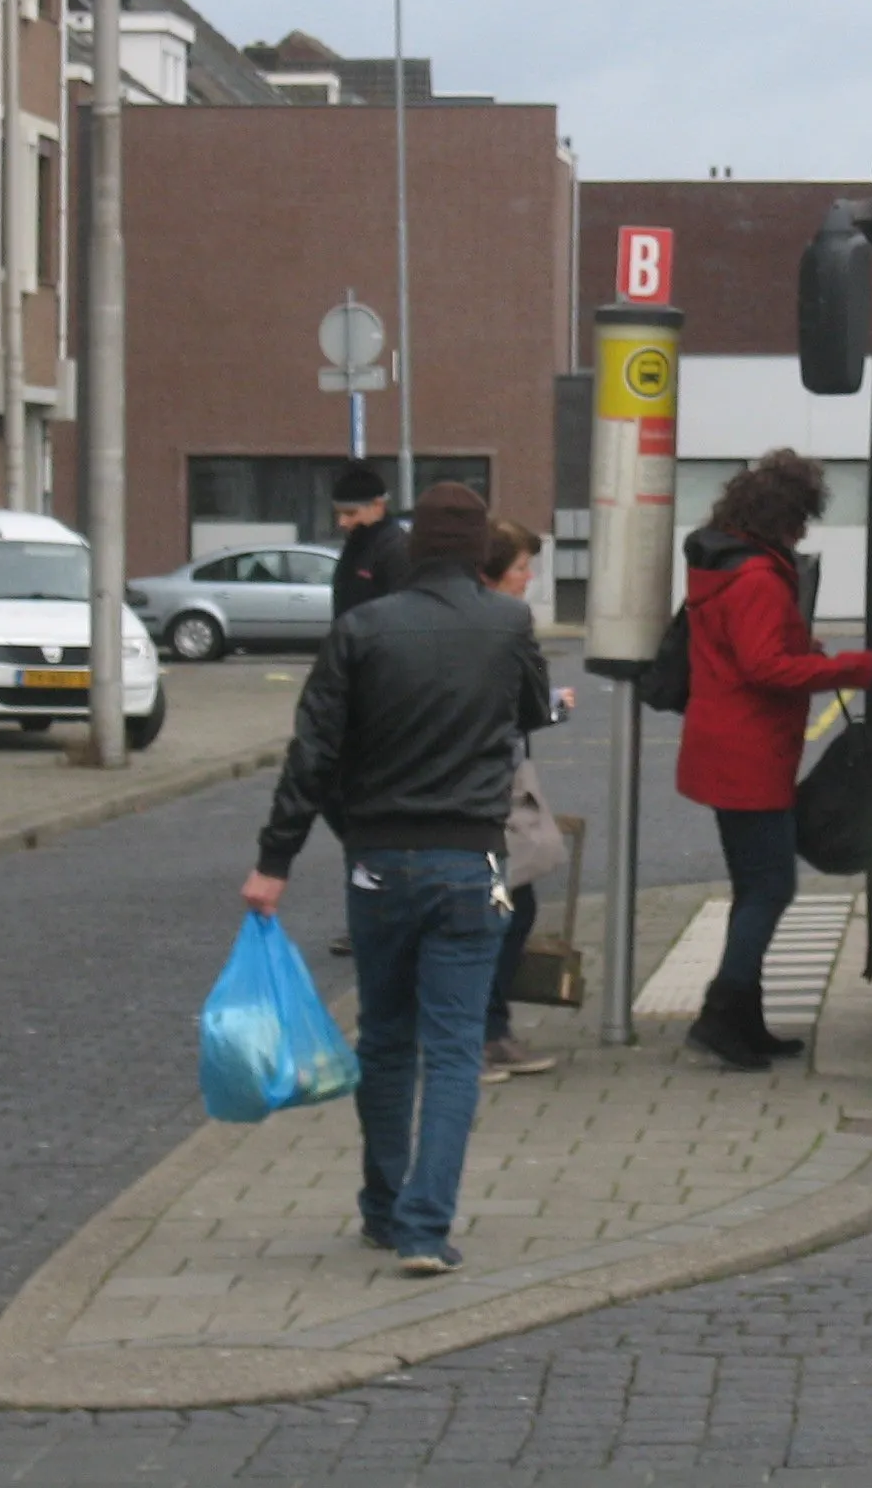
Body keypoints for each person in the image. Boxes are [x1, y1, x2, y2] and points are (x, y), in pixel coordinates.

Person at [242, 481, 553, 1277]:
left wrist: (275, 861)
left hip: (378, 860)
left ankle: (381, 1208)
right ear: (479, 550)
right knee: (454, 1049)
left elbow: (311, 752)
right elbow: (530, 710)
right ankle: (424, 1227)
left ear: (416, 550)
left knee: (386, 1039)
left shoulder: (362, 628)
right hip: (471, 859)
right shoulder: (509, 622)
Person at [675, 450, 872, 1071]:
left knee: (753, 888)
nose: (805, 531)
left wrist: (798, 641)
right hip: (749, 754)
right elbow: (765, 667)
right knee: (770, 886)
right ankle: (720, 1014)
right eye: (803, 519)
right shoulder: (758, 578)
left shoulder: (723, 564)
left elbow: (745, 648)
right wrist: (853, 668)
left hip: (725, 746)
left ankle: (746, 1019)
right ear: (786, 517)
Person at [480, 516, 576, 1084]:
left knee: (509, 906)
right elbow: (517, 704)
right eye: (520, 567)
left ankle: (491, 1030)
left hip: (493, 786)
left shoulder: (491, 622)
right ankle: (480, 1035)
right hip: (489, 795)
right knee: (499, 909)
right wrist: (553, 705)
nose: (529, 576)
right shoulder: (502, 626)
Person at [330, 463, 409, 617]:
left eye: (351, 513)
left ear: (378, 505)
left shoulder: (396, 550)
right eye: (338, 514)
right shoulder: (358, 544)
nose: (342, 522)